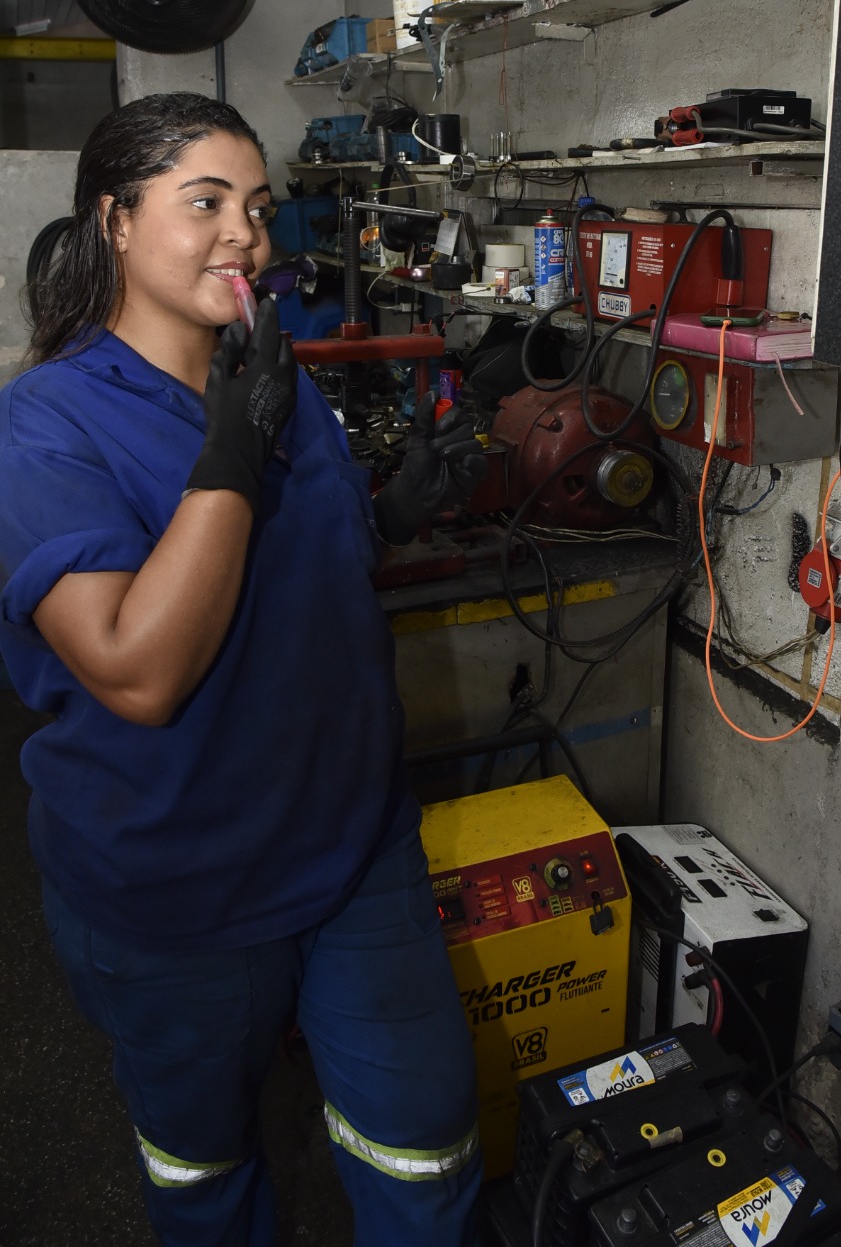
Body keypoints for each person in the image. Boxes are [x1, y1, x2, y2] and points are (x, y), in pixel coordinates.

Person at [0, 93, 486, 1247]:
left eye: (258, 209)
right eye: (206, 202)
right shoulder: (44, 424)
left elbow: (301, 568)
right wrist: (233, 445)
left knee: (425, 1149)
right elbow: (138, 672)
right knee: (205, 1172)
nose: (246, 236)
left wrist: (389, 513)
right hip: (181, 888)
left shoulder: (274, 380)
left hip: (353, 848)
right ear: (116, 220)